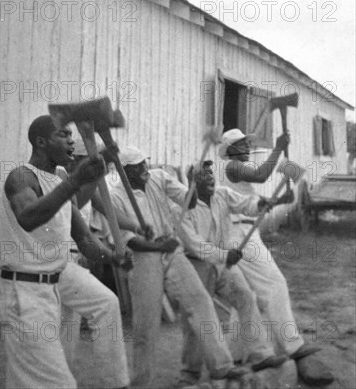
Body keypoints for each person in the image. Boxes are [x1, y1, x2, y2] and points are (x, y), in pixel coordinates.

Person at [0, 115, 130, 389]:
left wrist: (114, 256)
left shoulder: (58, 178)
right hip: (23, 286)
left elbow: (84, 240)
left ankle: (116, 383)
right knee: (56, 383)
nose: (72, 140)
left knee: (106, 303)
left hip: (57, 273)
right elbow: (28, 217)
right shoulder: (21, 176)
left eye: (72, 135)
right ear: (41, 142)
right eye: (63, 135)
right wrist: (73, 182)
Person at [110, 147, 254, 388]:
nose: (144, 169)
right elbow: (129, 240)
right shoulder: (115, 197)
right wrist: (158, 247)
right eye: (137, 167)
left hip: (171, 251)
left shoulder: (158, 177)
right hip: (144, 258)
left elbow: (191, 202)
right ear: (125, 172)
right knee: (147, 327)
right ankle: (140, 384)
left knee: (200, 301)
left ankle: (221, 367)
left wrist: (190, 183)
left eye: (145, 163)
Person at [177, 161, 288, 386]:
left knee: (246, 298)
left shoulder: (222, 195)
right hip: (196, 265)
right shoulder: (181, 207)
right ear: (191, 182)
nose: (210, 178)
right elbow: (195, 245)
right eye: (203, 175)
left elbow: (246, 204)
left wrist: (261, 203)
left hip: (224, 265)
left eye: (211, 173)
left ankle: (261, 355)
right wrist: (224, 255)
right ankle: (190, 372)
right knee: (198, 318)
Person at [219, 129, 321, 369]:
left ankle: (234, 354)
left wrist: (282, 198)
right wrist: (278, 147)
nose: (246, 148)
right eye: (241, 145)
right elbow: (262, 175)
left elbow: (254, 199)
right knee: (275, 283)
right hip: (238, 234)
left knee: (246, 295)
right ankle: (293, 346)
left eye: (247, 144)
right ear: (230, 150)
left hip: (244, 231)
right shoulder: (232, 167)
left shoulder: (238, 172)